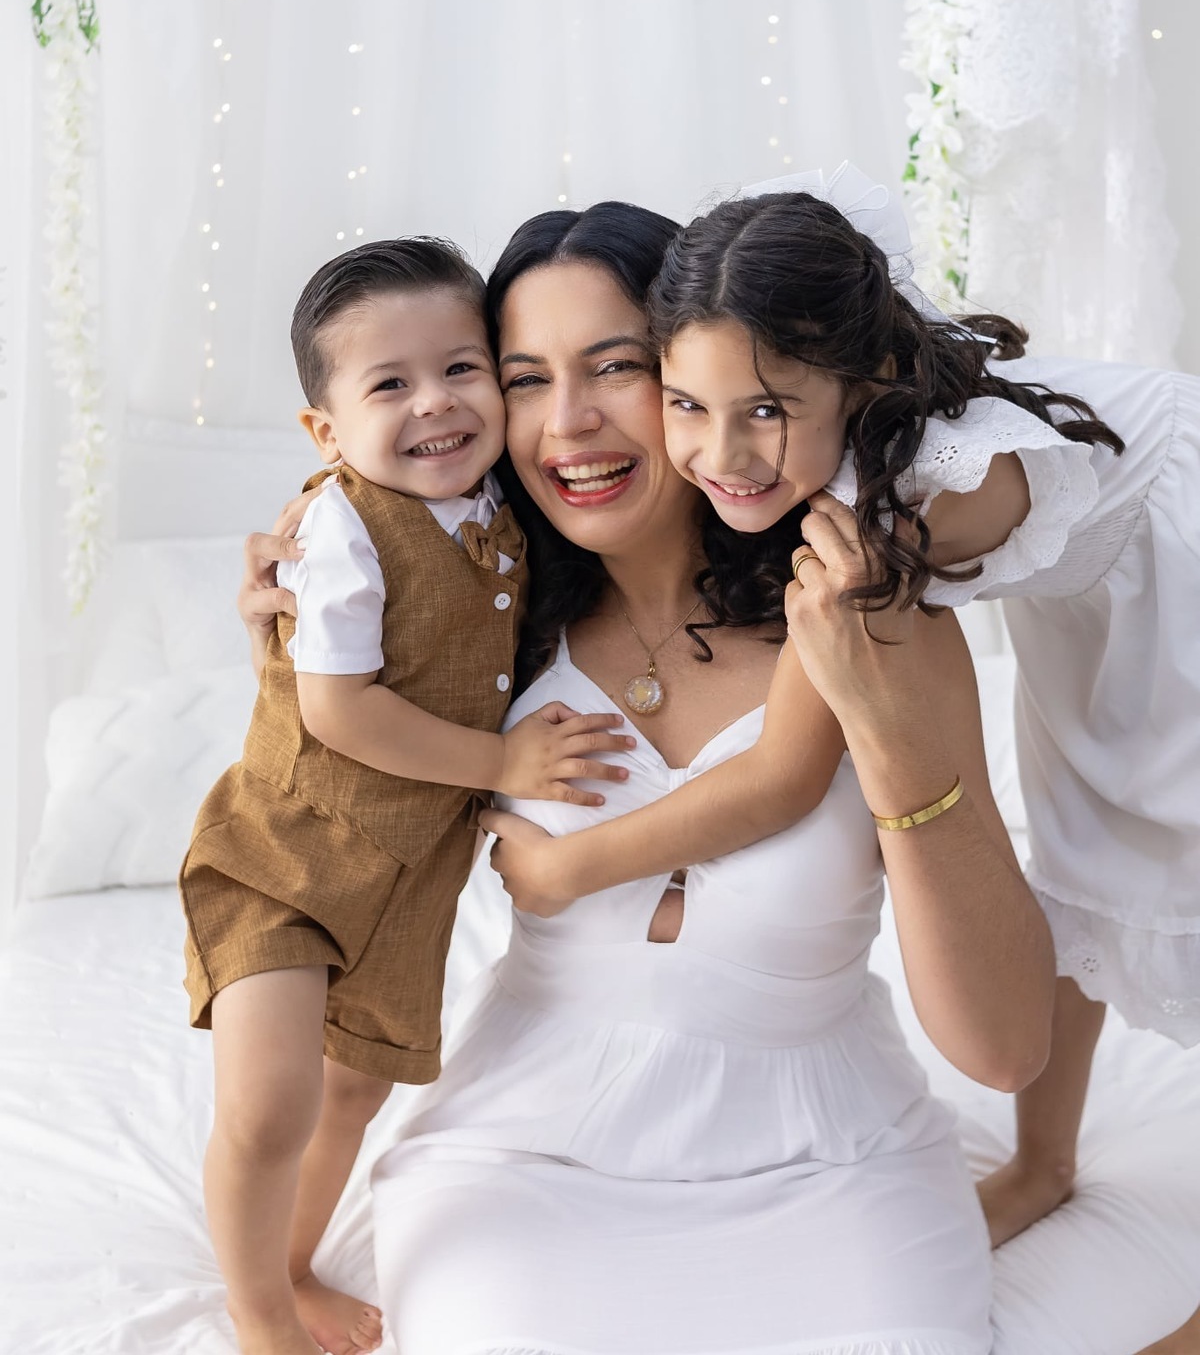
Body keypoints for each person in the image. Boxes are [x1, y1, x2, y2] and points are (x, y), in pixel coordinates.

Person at [347, 200, 1052, 1354]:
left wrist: (893, 733)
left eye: (615, 367)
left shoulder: (866, 615)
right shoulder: (476, 625)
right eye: (525, 378)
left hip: (831, 1158)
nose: (567, 423)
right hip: (525, 1153)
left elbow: (1003, 1049)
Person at [521, 168, 1195, 1354]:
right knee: (1080, 839)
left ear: (863, 383)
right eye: (684, 402)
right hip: (1087, 585)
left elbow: (782, 770)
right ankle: (1043, 1162)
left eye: (768, 410)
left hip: (1175, 562)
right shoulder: (786, 436)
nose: (719, 452)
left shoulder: (897, 525)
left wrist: (570, 871)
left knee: (1167, 825)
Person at [184, 237, 633, 1355]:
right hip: (284, 856)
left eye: (462, 368)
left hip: (406, 880)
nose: (434, 403)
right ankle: (257, 1310)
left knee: (351, 1096)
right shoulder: (342, 523)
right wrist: (507, 766)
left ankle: (290, 1261)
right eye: (390, 384)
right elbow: (338, 711)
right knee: (275, 1100)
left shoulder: (500, 510)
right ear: (327, 432)